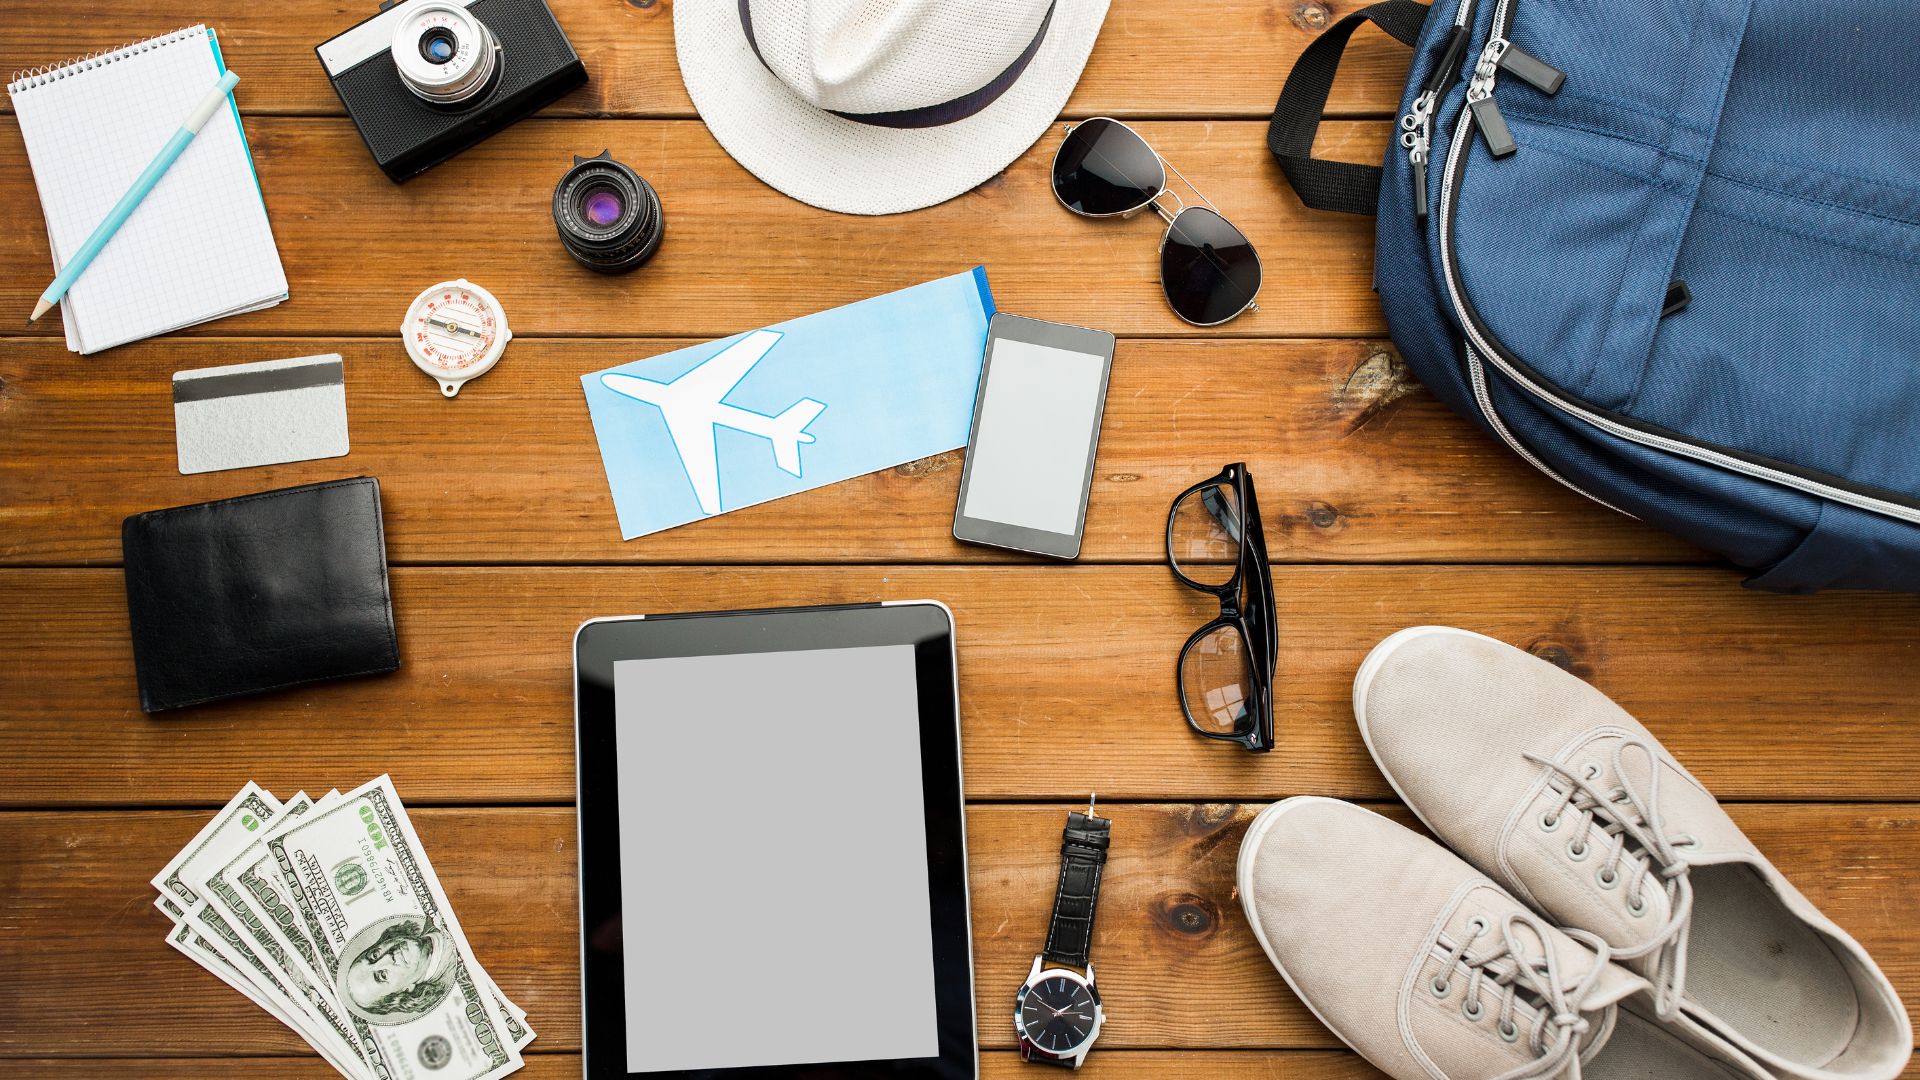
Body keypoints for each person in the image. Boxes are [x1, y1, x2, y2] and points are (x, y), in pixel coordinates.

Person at [341, 916, 457, 1023]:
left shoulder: (430, 917)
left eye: (374, 955)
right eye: (383, 975)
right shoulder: (454, 974)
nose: (387, 957)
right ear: (405, 992)